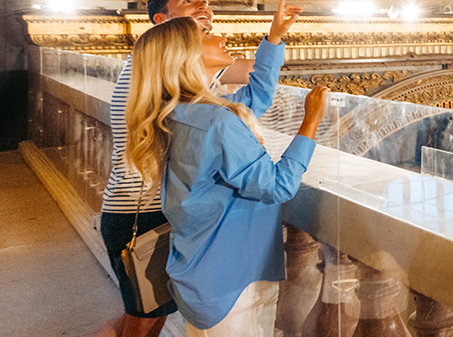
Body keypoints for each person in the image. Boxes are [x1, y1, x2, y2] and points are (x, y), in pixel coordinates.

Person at [97, 0, 301, 337]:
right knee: (142, 321)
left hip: (166, 211)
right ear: (162, 23)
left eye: (204, 2)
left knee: (149, 317)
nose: (203, 7)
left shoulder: (180, 88)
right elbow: (229, 112)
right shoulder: (151, 73)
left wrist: (273, 39)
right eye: (188, 2)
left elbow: (249, 101)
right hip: (139, 212)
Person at [124, 17, 329, 334]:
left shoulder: (177, 112)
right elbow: (277, 186)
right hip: (232, 282)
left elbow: (255, 98)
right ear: (184, 54)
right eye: (206, 34)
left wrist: (274, 38)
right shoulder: (215, 121)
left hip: (205, 273)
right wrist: (310, 124)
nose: (220, 37)